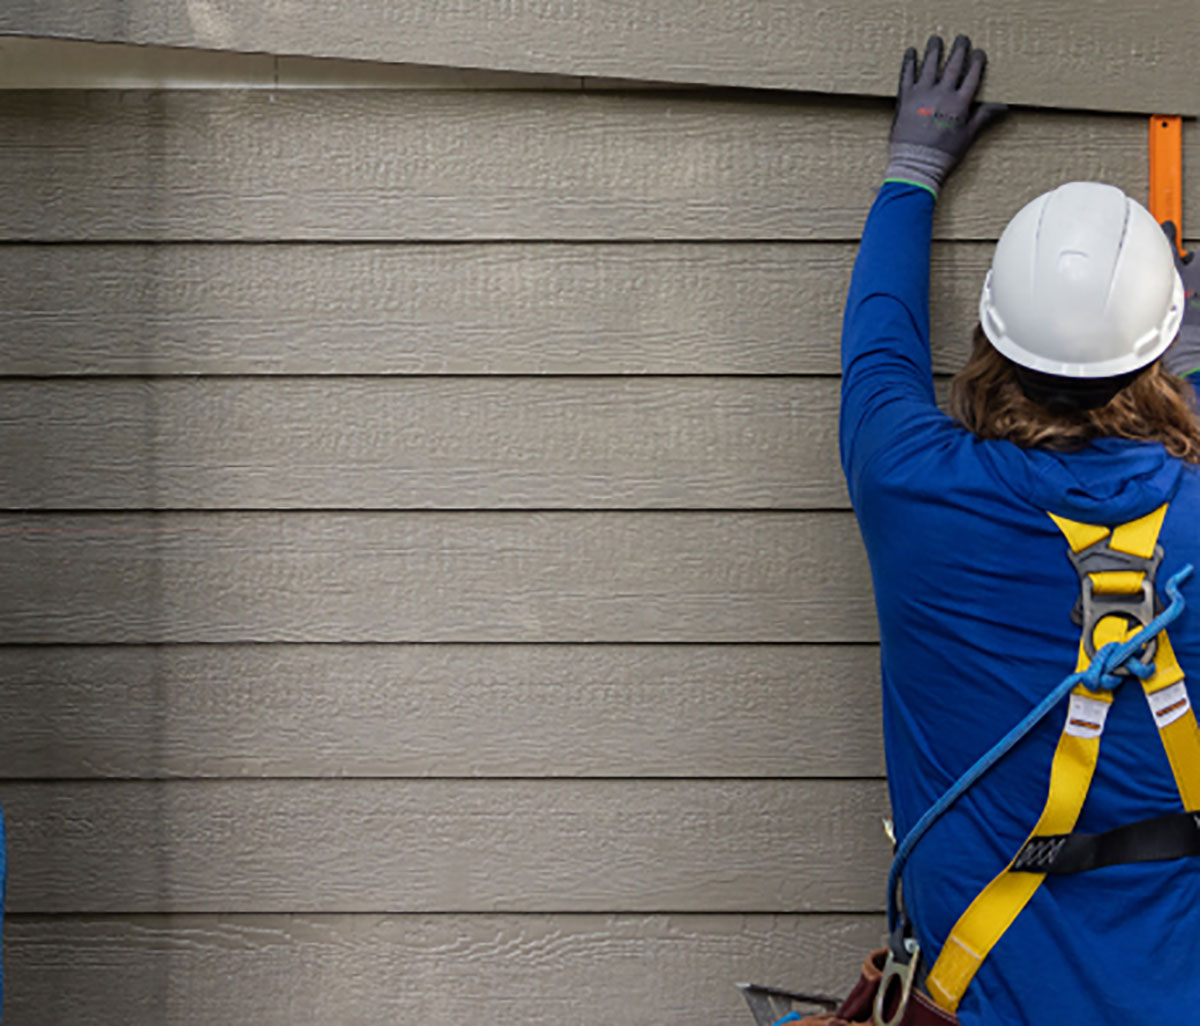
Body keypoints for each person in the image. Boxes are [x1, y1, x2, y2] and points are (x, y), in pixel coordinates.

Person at [839, 33, 1200, 1026]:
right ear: (1156, 349)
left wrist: (911, 172)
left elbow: (879, 352)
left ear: (993, 336)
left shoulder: (915, 485)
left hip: (979, 988)